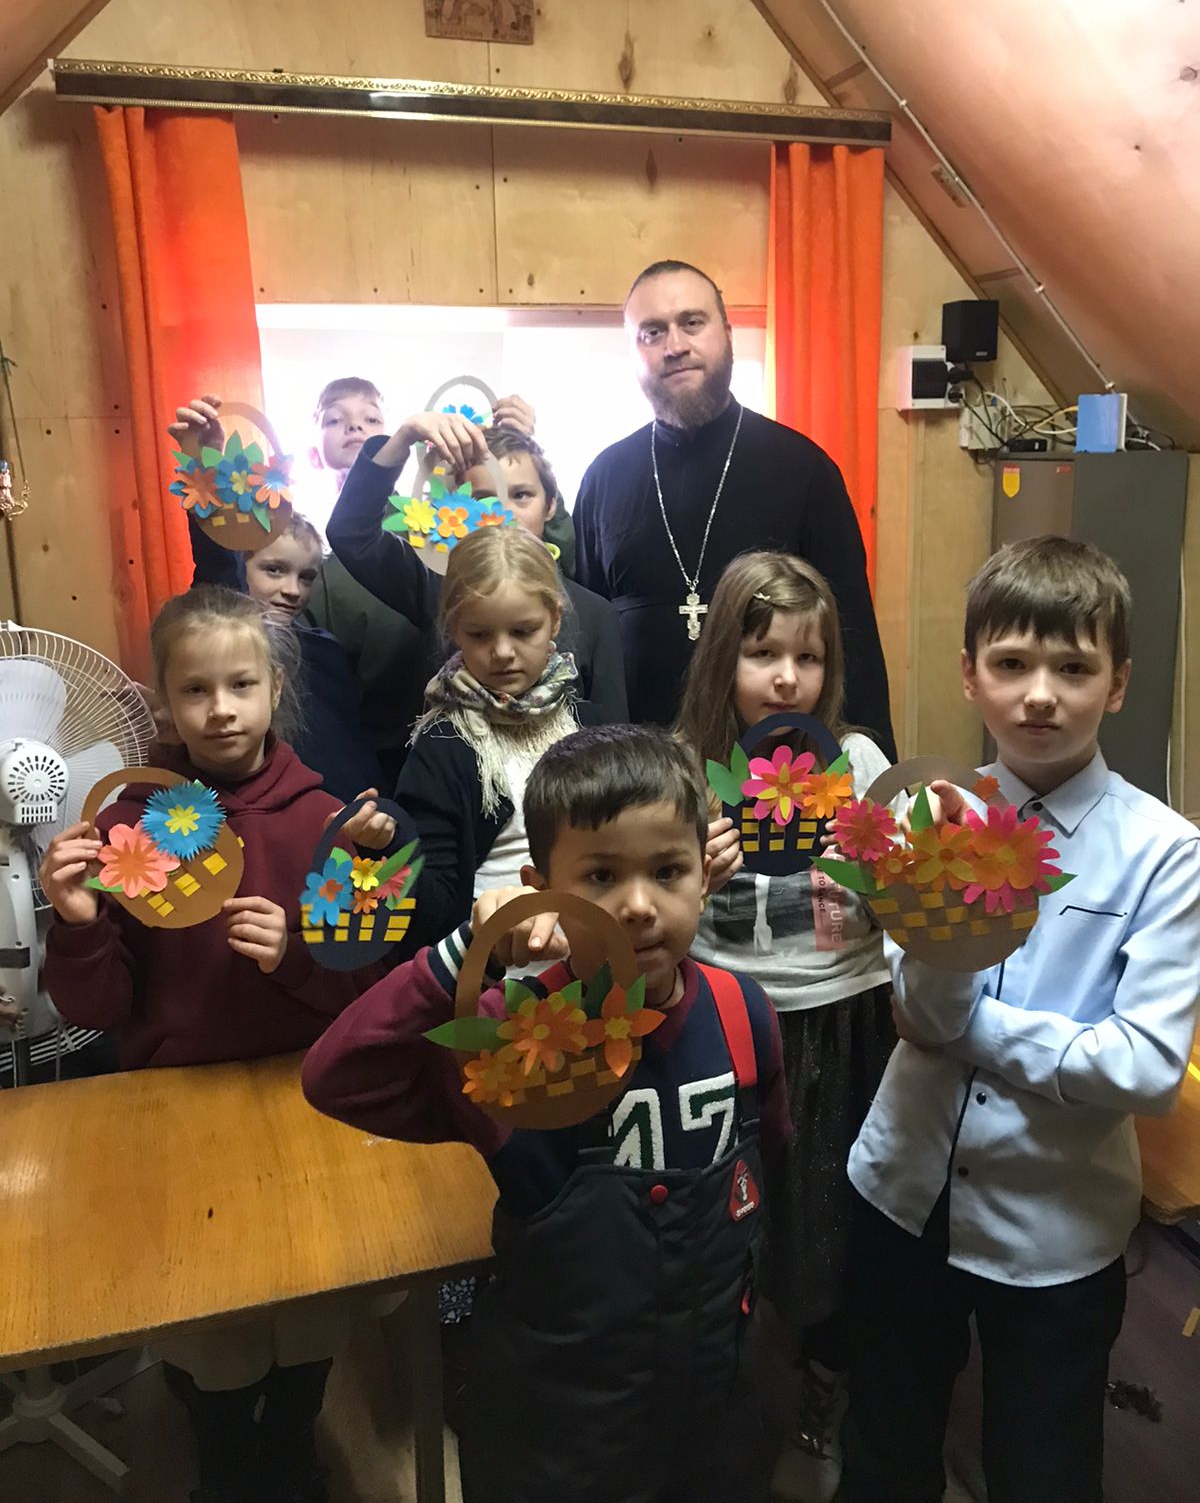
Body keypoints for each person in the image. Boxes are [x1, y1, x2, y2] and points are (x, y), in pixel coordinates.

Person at [301, 723, 792, 1503]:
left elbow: (770, 1167)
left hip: (715, 1412)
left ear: (706, 876)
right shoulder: (511, 1033)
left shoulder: (744, 1012)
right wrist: (468, 949)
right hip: (561, 1434)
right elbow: (339, 1076)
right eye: (600, 876)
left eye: (668, 871)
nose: (639, 906)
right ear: (543, 887)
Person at [840, 536, 1200, 1503]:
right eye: (1011, 664)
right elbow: (917, 999)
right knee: (883, 1448)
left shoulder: (1166, 854)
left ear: (1118, 684)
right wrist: (944, 979)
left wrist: (967, 1029)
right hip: (902, 1188)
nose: (1040, 695)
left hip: (1056, 1228)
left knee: (1045, 1467)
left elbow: (1144, 1069)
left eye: (1073, 669)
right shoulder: (927, 818)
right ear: (970, 676)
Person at [40, 585, 409, 1503]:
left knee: (311, 1306)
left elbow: (366, 988)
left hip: (301, 1100)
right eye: (195, 689)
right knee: (205, 1328)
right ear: (162, 701)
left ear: (276, 689)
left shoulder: (329, 821)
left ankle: (290, 1444)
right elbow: (99, 1005)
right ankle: (225, 1458)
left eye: (241, 684)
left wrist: (299, 954)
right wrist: (78, 923)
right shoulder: (132, 822)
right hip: (173, 1113)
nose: (220, 709)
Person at [675, 551, 895, 1501]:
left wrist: (872, 861)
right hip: (729, 1028)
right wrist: (691, 876)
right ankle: (735, 1395)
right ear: (723, 655)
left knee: (835, 1223)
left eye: (807, 657)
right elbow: (650, 926)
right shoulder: (685, 773)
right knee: (735, 1223)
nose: (786, 678)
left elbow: (907, 912)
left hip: (846, 1021)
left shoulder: (862, 763)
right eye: (762, 653)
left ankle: (823, 1391)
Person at [573, 260, 894, 756]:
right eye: (652, 332)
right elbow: (584, 649)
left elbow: (852, 645)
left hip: (781, 779)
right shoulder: (604, 479)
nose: (674, 345)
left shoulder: (805, 471)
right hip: (637, 775)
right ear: (633, 352)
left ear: (727, 334)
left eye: (692, 322)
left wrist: (871, 780)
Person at [171, 385, 426, 788]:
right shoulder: (240, 639)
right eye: (274, 570)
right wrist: (207, 466)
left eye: (306, 577)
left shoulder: (327, 648)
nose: (292, 590)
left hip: (365, 803)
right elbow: (220, 569)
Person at [325, 409, 628, 724]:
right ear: (457, 509)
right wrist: (404, 437)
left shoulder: (595, 614)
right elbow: (351, 533)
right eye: (483, 498)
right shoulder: (438, 589)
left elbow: (614, 736)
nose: (503, 513)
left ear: (550, 505)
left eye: (521, 495)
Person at [390, 523, 596, 954]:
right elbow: (432, 910)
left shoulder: (584, 722)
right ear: (454, 628)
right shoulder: (444, 743)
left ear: (555, 619)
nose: (502, 652)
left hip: (586, 961)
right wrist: (387, 848)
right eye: (480, 635)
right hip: (493, 971)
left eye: (523, 631)